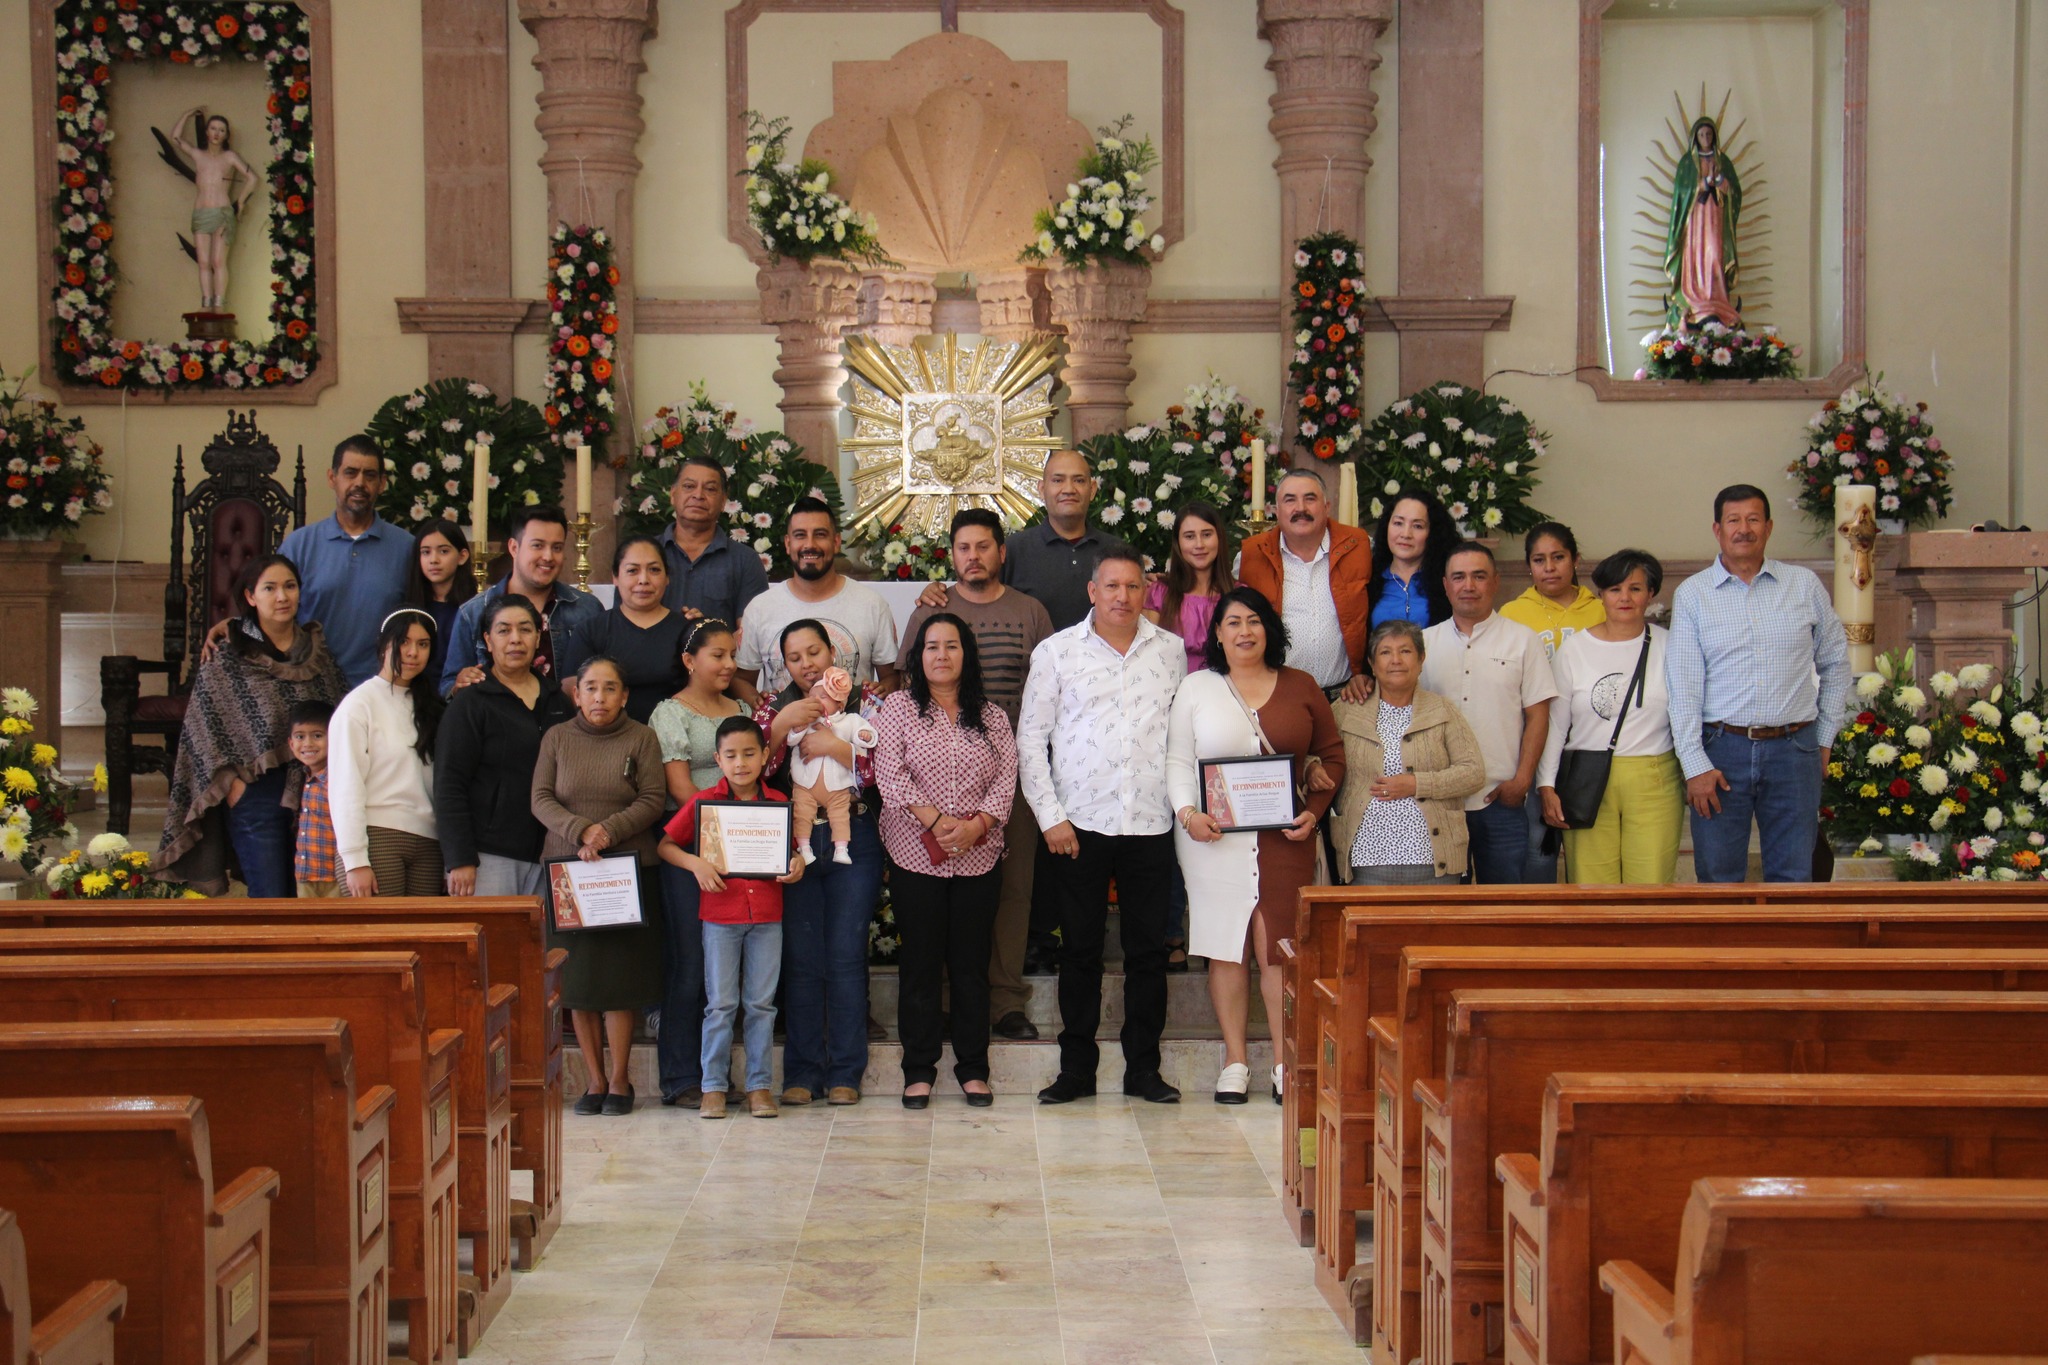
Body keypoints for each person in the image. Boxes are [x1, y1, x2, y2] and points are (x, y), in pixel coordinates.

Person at [1016, 549, 1187, 1106]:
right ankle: (1076, 1070)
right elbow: (1030, 740)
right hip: (1078, 826)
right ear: (1093, 591)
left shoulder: (1171, 652)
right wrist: (1051, 817)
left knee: (1146, 954)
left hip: (1150, 821)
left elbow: (1180, 740)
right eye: (1111, 586)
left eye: (1133, 587)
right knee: (1081, 953)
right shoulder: (1057, 652)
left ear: (1146, 593)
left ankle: (1144, 1069)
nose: (1122, 596)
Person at [1166, 588, 1343, 1104]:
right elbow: (1177, 761)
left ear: (1269, 629)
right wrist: (1188, 814)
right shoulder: (1197, 688)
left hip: (1286, 839)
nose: (1244, 631)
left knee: (1278, 951)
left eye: (1254, 621)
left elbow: (1331, 757)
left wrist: (1314, 811)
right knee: (1225, 947)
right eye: (1233, 622)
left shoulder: (1302, 685)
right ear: (1216, 634)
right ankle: (1236, 1060)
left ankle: (1285, 1064)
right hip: (1211, 839)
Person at [900, 510, 1054, 1040]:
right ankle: (947, 1003)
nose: (974, 556)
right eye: (963, 547)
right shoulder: (930, 613)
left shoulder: (1030, 611)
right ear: (952, 554)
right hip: (935, 780)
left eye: (984, 546)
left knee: (1013, 890)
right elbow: (906, 691)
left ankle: (1006, 1001)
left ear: (1001, 552)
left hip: (1008, 775)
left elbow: (1050, 690)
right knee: (943, 897)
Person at [1667, 484, 1850, 882]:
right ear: (1717, 529)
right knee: (1718, 875)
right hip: (1721, 751)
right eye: (1734, 520)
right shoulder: (1694, 594)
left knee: (1794, 874)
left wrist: (1824, 739)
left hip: (1794, 749)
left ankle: (1787, 947)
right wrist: (1695, 764)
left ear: (1768, 527)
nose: (1743, 529)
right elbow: (1683, 688)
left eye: (1753, 520)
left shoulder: (1803, 585)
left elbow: (1836, 663)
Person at [874, 613, 1018, 1109]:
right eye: (931, 646)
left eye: (951, 646)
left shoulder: (991, 715)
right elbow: (888, 774)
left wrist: (978, 826)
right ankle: (919, 1070)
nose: (941, 655)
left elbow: (1006, 778)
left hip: (979, 856)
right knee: (920, 964)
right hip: (916, 853)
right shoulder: (897, 709)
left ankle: (973, 1069)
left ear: (966, 654)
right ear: (918, 656)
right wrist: (936, 822)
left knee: (971, 965)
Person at [159, 554, 348, 896]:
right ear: (250, 596)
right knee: (270, 896)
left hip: (315, 791)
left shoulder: (317, 650)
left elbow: (340, 715)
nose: (282, 597)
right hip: (256, 792)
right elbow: (202, 729)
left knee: (313, 899)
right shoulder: (228, 652)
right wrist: (233, 787)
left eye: (290, 587)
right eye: (270, 588)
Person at [756, 620, 888, 1107]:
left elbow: (887, 767)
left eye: (814, 651)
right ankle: (803, 1071)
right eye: (795, 657)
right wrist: (780, 725)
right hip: (796, 837)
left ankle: (846, 1073)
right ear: (784, 665)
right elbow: (758, 769)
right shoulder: (775, 703)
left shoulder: (866, 698)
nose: (807, 663)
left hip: (854, 834)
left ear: (833, 650)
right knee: (803, 957)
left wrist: (840, 748)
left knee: (847, 953)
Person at [531, 656, 669, 1116]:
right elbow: (540, 798)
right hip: (568, 874)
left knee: (619, 981)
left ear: (625, 696)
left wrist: (606, 831)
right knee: (580, 982)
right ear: (576, 693)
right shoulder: (556, 738)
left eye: (610, 688)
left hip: (627, 871)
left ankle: (619, 1080)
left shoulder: (642, 737)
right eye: (591, 687)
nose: (599, 697)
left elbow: (653, 798)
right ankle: (592, 1079)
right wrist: (580, 831)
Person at [659, 717, 804, 1120]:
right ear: (717, 759)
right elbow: (667, 845)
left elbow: (793, 854)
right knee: (721, 1004)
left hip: (767, 917)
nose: (740, 763)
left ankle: (759, 1087)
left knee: (761, 1005)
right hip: (720, 917)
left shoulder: (778, 804)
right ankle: (713, 1088)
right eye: (731, 755)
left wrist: (796, 866)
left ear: (764, 758)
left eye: (748, 754)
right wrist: (696, 865)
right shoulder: (705, 803)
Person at [645, 618, 749, 1107]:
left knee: (729, 971)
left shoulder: (743, 709)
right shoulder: (671, 714)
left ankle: (717, 1075)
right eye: (718, 656)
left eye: (732, 654)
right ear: (689, 661)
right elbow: (682, 789)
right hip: (691, 851)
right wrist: (719, 841)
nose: (729, 664)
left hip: (744, 853)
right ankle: (682, 1077)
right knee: (692, 963)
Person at [1538, 549, 1684, 883]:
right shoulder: (1574, 649)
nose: (1625, 598)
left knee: (1651, 884)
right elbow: (1556, 724)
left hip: (1654, 778)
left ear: (1650, 594)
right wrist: (1547, 785)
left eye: (1635, 588)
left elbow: (1687, 716)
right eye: (1615, 589)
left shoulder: (1670, 645)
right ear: (1601, 594)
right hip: (1586, 780)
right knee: (1591, 887)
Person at [1419, 543, 1557, 884]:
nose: (1469, 586)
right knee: (1446, 906)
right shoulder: (1423, 644)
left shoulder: (1523, 641)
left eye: (1479, 576)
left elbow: (1539, 716)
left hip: (1501, 797)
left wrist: (1523, 780)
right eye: (1459, 577)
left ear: (1495, 583)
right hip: (1440, 801)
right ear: (1446, 585)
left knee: (1504, 904)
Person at [436, 597, 577, 897]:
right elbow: (449, 784)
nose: (515, 639)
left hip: (551, 850)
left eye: (525, 629)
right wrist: (459, 858)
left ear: (538, 637)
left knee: (545, 945)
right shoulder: (471, 702)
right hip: (488, 855)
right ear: (487, 640)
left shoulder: (557, 700)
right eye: (504, 630)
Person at [1333, 621, 1487, 884]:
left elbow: (1473, 772)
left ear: (1421, 659)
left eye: (1405, 651)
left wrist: (1417, 784)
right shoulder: (1346, 710)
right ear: (1371, 662)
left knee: (1434, 927)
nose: (1396, 660)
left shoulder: (1442, 710)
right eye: (1385, 652)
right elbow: (1318, 755)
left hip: (1435, 860)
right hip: (1367, 857)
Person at [916, 449, 1135, 632]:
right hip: (1031, 675)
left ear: (1092, 489)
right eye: (1058, 480)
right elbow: (976, 593)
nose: (1069, 489)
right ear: (1041, 489)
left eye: (1079, 480)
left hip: (1104, 675)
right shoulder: (1012, 550)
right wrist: (936, 592)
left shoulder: (1118, 552)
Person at [1500, 521, 1605, 884]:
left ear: (1575, 560)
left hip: (1588, 743)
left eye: (1558, 557)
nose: (1549, 567)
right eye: (1539, 559)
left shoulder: (1600, 610)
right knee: (1538, 841)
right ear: (1529, 566)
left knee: (1588, 842)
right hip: (1534, 738)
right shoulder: (1513, 614)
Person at [276, 436, 417, 688]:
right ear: (333, 478)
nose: (359, 483)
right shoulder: (299, 546)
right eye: (350, 473)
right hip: (310, 686)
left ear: (382, 483)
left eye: (370, 475)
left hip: (381, 689)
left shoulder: (406, 547)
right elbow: (269, 614)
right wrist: (231, 626)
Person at [327, 609, 445, 897]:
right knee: (382, 938)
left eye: (423, 644)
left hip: (429, 842)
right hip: (377, 837)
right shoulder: (359, 704)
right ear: (384, 646)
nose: (412, 652)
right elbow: (345, 785)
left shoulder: (433, 707)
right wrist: (354, 860)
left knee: (426, 940)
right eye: (403, 642)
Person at [735, 497, 900, 701]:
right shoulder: (760, 609)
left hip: (854, 730)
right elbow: (741, 680)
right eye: (800, 535)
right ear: (788, 543)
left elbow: (893, 677)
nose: (810, 545)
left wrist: (881, 691)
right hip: (782, 729)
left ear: (836, 542)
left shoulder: (872, 605)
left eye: (820, 535)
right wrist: (761, 707)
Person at [1236, 469, 1372, 701]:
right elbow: (1214, 590)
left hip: (1346, 698)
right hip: (1280, 698)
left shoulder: (1359, 546)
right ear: (1277, 511)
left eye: (1310, 498)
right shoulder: (1251, 555)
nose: (1300, 508)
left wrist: (1366, 672)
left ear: (1327, 506)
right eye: (1290, 500)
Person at [442, 504, 604, 696]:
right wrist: (459, 684)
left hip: (565, 722)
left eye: (557, 547)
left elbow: (606, 676)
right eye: (537, 545)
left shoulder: (587, 609)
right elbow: (448, 685)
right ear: (514, 547)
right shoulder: (473, 612)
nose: (548, 556)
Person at [558, 536, 688, 722]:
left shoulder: (687, 630)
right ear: (615, 577)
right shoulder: (592, 630)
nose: (643, 580)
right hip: (607, 739)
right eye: (632, 570)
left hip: (677, 740)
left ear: (667, 577)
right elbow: (572, 691)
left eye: (654, 570)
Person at [656, 453, 771, 630]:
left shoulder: (745, 560)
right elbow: (624, 622)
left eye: (710, 489)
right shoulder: (645, 554)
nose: (698, 495)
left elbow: (751, 637)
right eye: (689, 486)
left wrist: (708, 635)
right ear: (673, 494)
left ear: (723, 501)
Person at [785, 667, 878, 865]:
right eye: (813, 697)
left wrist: (866, 736)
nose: (817, 701)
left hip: (837, 786)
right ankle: (804, 847)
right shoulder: (806, 721)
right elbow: (791, 741)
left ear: (840, 703)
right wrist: (797, 729)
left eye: (824, 697)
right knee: (801, 813)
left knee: (840, 815)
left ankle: (841, 849)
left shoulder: (849, 721)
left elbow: (865, 733)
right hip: (805, 784)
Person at [168, 108, 255, 310]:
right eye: (213, 129)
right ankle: (206, 303)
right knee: (204, 261)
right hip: (201, 213)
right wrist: (186, 115)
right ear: (207, 132)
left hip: (222, 212)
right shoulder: (198, 155)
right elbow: (176, 137)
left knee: (218, 260)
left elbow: (252, 179)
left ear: (226, 135)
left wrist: (240, 202)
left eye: (221, 130)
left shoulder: (230, 157)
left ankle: (219, 304)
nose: (216, 133)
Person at [1145, 501, 1235, 676]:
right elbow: (1146, 656)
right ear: (1178, 543)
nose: (1199, 544)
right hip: (1172, 691)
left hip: (1227, 690)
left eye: (1207, 534)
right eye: (1189, 536)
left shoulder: (1238, 594)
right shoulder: (1159, 593)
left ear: (1219, 538)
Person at [1365, 487, 1457, 631]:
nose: (1406, 534)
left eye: (1417, 526)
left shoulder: (1447, 581)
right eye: (1398, 523)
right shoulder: (1368, 579)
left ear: (1432, 533)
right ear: (1386, 526)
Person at [403, 522, 476, 688]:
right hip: (417, 697)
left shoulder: (474, 609)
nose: (434, 560)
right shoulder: (410, 607)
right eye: (426, 552)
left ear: (462, 556)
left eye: (443, 551)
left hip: (460, 699)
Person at [287, 701, 339, 898]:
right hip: (305, 875)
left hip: (336, 876)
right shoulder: (302, 780)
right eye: (300, 736)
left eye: (317, 736)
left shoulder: (338, 779)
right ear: (291, 743)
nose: (308, 744)